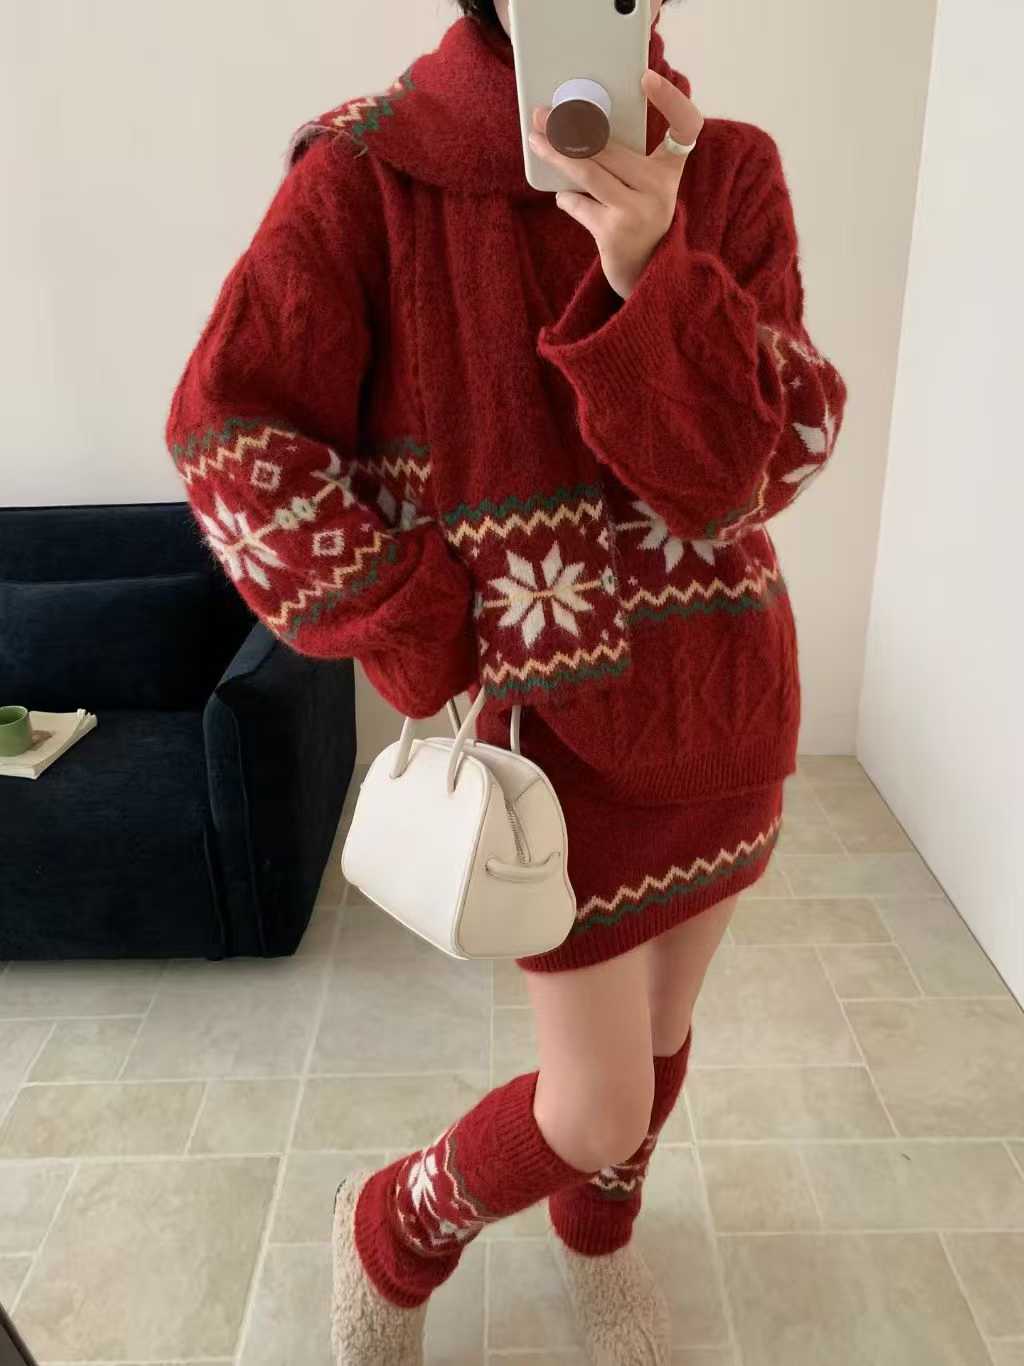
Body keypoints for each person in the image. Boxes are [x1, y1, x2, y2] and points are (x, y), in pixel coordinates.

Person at [166, 0, 846, 1360]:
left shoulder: (730, 169)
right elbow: (230, 440)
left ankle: (600, 1242)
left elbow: (775, 460)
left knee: (659, 1039)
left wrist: (655, 266)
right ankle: (393, 1228)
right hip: (555, 747)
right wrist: (424, 623)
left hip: (727, 705)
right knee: (592, 1107)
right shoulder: (369, 172)